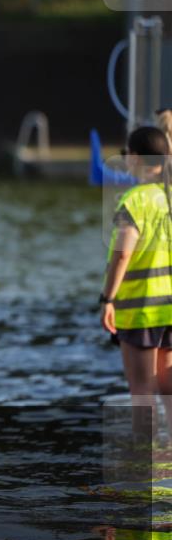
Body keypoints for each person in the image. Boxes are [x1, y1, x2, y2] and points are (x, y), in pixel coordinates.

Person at [100, 126, 172, 441]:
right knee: (168, 388)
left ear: (135, 158)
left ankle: (144, 458)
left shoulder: (135, 201)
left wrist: (107, 299)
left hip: (140, 310)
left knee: (142, 391)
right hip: (169, 310)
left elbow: (123, 255)